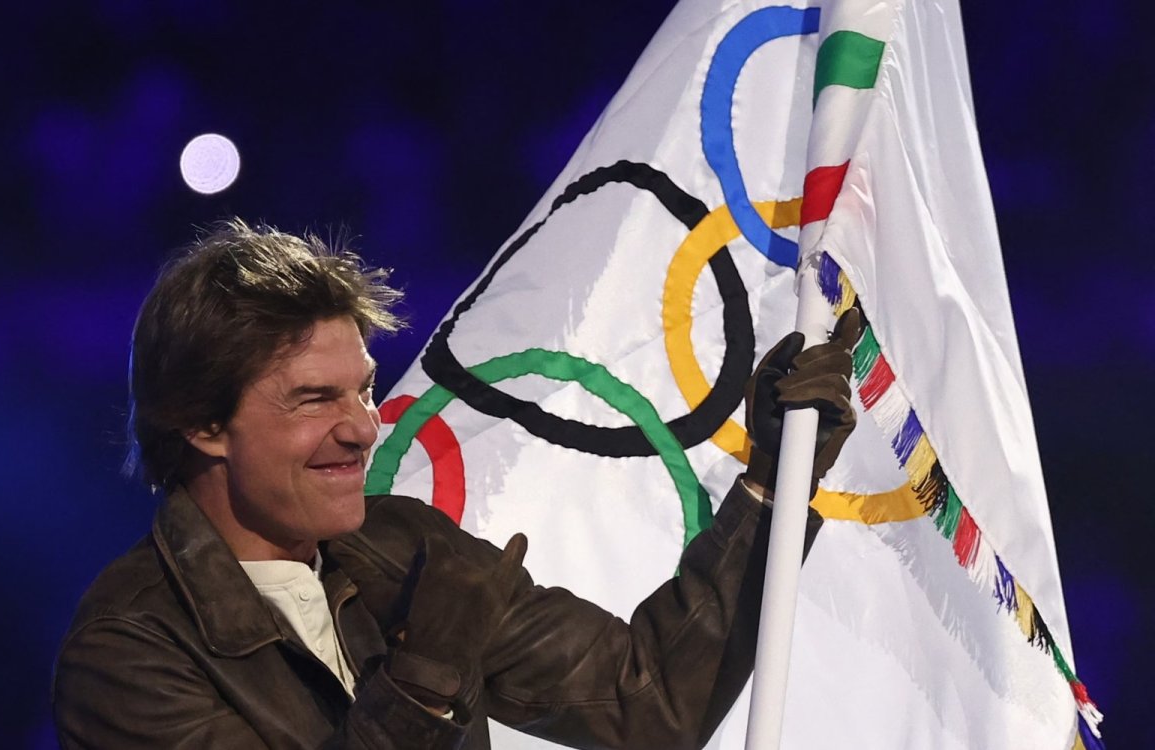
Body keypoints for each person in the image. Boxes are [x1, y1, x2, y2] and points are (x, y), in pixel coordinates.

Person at [52, 219, 858, 749]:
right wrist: (423, 685)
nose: (364, 426)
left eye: (364, 389)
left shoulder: (403, 547)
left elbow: (647, 702)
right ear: (201, 423)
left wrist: (770, 485)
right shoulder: (126, 652)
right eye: (313, 399)